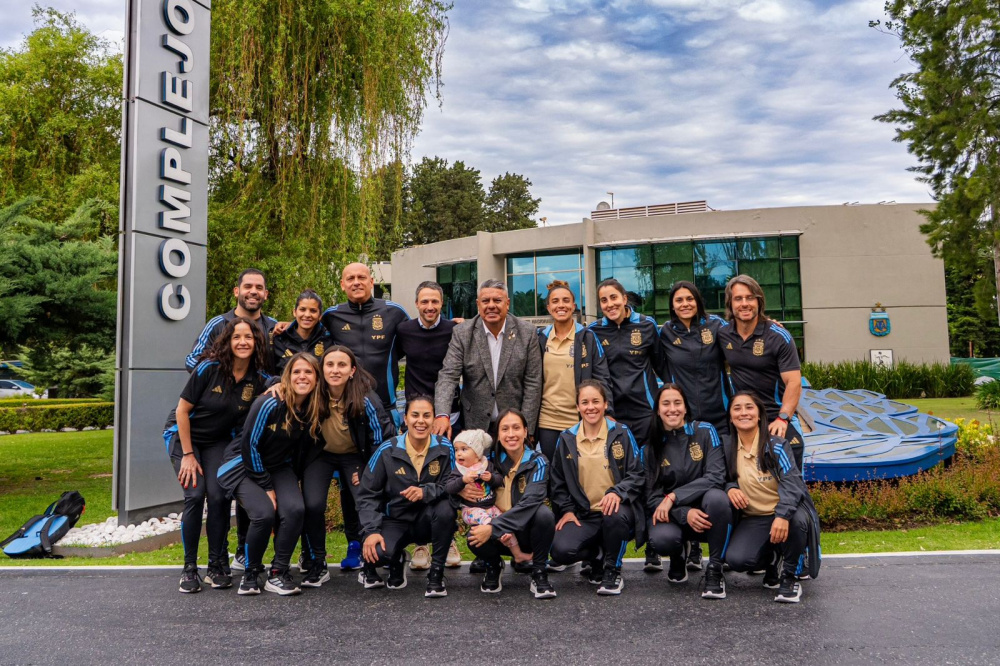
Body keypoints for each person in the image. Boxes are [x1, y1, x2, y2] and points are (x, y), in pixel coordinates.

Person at [163, 317, 270, 593]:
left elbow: (281, 383)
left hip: (217, 442)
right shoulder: (208, 369)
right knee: (195, 496)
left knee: (221, 496)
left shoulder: (257, 378)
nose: (243, 342)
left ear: (257, 342)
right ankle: (189, 568)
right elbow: (182, 411)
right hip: (184, 437)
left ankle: (216, 565)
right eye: (237, 337)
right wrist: (187, 454)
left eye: (249, 337)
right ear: (227, 342)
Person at [217, 353, 325, 596]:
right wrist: (267, 487)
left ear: (317, 379)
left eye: (308, 372)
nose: (302, 377)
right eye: (296, 371)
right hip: (241, 465)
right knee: (264, 513)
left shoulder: (312, 407)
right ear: (287, 376)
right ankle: (251, 573)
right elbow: (249, 446)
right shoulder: (269, 402)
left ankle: (277, 573)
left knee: (295, 509)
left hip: (277, 467)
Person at [297, 345, 396, 586]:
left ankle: (368, 564)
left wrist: (369, 472)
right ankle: (317, 562)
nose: (335, 370)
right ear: (322, 369)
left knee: (364, 501)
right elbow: (288, 378)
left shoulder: (365, 398)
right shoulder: (313, 391)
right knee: (312, 504)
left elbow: (379, 440)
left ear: (352, 370)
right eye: (329, 365)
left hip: (356, 456)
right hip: (322, 454)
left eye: (342, 365)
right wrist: (276, 384)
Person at [656, 280, 730, 573]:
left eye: (689, 299)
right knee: (683, 473)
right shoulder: (665, 332)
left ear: (698, 301)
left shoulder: (717, 327)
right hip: (684, 421)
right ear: (672, 305)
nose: (684, 304)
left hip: (720, 418)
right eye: (678, 300)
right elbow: (660, 369)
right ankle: (688, 545)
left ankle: (716, 547)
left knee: (717, 481)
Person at [549, 380, 646, 596]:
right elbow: (557, 481)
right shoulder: (566, 438)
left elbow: (637, 473)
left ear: (605, 404)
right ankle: (598, 555)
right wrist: (567, 510)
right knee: (560, 551)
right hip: (585, 515)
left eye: (595, 401)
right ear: (577, 407)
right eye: (584, 402)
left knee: (614, 514)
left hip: (618, 511)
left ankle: (612, 570)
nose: (590, 407)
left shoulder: (621, 432)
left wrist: (617, 492)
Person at [723, 391, 821, 603]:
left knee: (796, 523)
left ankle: (789, 576)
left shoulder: (777, 445)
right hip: (755, 517)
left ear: (759, 414)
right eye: (737, 408)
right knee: (737, 560)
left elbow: (793, 482)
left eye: (749, 407)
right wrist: (730, 487)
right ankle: (773, 557)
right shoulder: (726, 447)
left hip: (786, 513)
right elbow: (718, 476)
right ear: (730, 417)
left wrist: (782, 515)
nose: (743, 413)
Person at [356, 395, 457, 598]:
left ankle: (436, 576)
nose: (421, 421)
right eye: (415, 415)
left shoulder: (445, 447)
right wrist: (371, 530)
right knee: (376, 554)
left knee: (446, 509)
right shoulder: (388, 449)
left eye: (427, 415)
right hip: (394, 518)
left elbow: (452, 485)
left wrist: (426, 491)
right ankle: (396, 559)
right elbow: (368, 493)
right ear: (405, 418)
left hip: (428, 519)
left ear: (434, 418)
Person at [395, 280, 464, 571]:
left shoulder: (455, 330)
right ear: (416, 304)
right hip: (417, 417)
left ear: (441, 303)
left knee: (448, 478)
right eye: (424, 302)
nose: (430, 307)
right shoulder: (404, 330)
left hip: (450, 415)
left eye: (435, 302)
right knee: (418, 478)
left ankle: (447, 539)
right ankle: (422, 543)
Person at [645, 383, 732, 599]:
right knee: (662, 539)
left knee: (718, 498)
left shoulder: (705, 431)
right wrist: (684, 513)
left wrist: (674, 497)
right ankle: (677, 556)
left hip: (705, 508)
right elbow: (652, 497)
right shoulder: (651, 446)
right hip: (676, 516)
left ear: (685, 408)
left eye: (677, 403)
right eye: (666, 404)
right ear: (657, 409)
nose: (672, 409)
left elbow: (715, 476)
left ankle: (715, 569)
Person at [463, 409, 557, 599]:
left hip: (525, 532)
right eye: (505, 429)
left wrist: (493, 527)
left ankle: (539, 572)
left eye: (516, 428)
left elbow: (531, 502)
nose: (511, 434)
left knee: (544, 515)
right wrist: (462, 489)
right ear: (498, 435)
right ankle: (493, 565)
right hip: (499, 534)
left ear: (525, 431)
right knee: (474, 537)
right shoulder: (486, 460)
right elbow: (454, 478)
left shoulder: (538, 461)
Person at [433, 278, 543, 439]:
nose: (491, 305)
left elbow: (533, 382)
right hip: (474, 423)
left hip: (514, 426)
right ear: (478, 304)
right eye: (486, 301)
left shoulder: (527, 333)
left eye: (497, 300)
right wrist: (442, 414)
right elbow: (448, 376)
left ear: (507, 303)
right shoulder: (463, 333)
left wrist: (527, 428)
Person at [718, 275, 805, 468]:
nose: (744, 303)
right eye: (738, 299)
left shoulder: (778, 336)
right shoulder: (723, 334)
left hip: (776, 417)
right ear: (730, 304)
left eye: (750, 298)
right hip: (743, 418)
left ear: (759, 301)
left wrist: (783, 419)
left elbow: (794, 382)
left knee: (792, 483)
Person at [535, 279, 612, 463]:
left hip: (581, 419)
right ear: (548, 308)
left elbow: (602, 377)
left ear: (574, 306)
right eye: (555, 301)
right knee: (552, 474)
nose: (561, 305)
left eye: (565, 301)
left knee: (580, 473)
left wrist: (609, 414)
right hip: (548, 420)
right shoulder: (540, 338)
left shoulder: (587, 336)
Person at [587, 278, 661, 450]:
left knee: (648, 463)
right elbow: (594, 374)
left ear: (624, 299)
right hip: (613, 413)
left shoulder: (647, 325)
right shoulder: (594, 331)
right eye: (604, 300)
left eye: (614, 297)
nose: (610, 304)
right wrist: (606, 411)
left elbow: (661, 366)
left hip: (645, 411)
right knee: (619, 466)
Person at [445, 429, 531, 565]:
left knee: (504, 522)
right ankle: (500, 535)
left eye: (464, 449)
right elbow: (449, 487)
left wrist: (491, 478)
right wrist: (462, 481)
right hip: (471, 510)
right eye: (456, 450)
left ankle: (518, 554)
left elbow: (499, 481)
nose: (459, 453)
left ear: (477, 454)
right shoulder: (459, 470)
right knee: (488, 520)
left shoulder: (487, 465)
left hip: (490, 507)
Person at [186, 268, 277, 372]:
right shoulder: (218, 324)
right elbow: (192, 360)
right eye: (248, 286)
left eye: (259, 288)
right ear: (236, 291)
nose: (253, 291)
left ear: (265, 294)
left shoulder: (274, 327)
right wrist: (219, 377)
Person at [272, 289, 333, 372]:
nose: (307, 315)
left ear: (320, 316)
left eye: (313, 311)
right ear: (295, 312)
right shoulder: (280, 338)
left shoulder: (328, 339)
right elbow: (269, 372)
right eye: (302, 309)